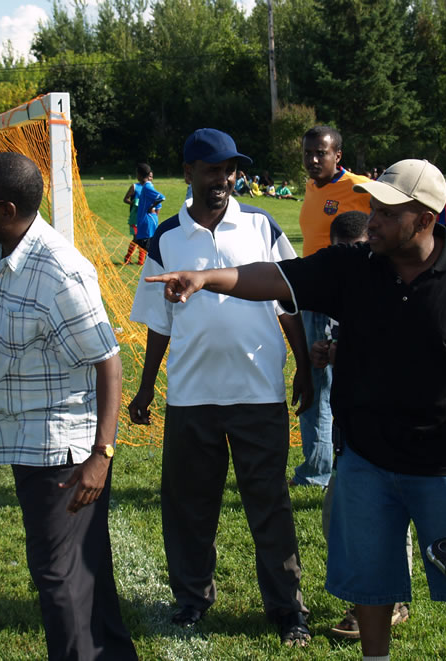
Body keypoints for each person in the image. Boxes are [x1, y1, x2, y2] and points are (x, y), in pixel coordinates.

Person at [143, 158, 446, 661]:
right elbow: (273, 277)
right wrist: (205, 278)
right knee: (371, 587)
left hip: (444, 469)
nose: (372, 221)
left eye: (387, 213)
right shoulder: (355, 266)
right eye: (372, 209)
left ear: (425, 219)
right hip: (365, 463)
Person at [127, 128, 314, 646]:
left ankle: (287, 608)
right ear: (189, 172)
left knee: (270, 505)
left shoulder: (260, 225)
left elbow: (288, 301)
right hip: (191, 397)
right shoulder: (167, 237)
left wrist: (303, 364)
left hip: (259, 393)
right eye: (213, 169)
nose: (224, 179)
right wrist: (146, 388)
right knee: (189, 505)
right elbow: (159, 322)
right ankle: (192, 599)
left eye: (230, 169)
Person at [0, 152, 136, 661]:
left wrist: (101, 454)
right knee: (81, 567)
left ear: (6, 210)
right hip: (24, 439)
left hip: (63, 450)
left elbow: (108, 362)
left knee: (59, 577)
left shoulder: (61, 272)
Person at [312, 211, 413, 641]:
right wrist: (329, 353)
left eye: (355, 249)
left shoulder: (391, 286)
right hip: (351, 434)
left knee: (386, 519)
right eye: (339, 250)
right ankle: (372, 597)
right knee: (338, 517)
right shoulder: (343, 286)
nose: (349, 259)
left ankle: (389, 602)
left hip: (394, 436)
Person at [292, 125, 371, 489]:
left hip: (342, 300)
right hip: (312, 296)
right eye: (308, 153)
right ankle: (323, 466)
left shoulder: (359, 188)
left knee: (324, 383)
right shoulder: (312, 187)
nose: (312, 160)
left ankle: (319, 472)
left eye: (320, 153)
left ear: (338, 155)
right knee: (316, 382)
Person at [123, 162, 149, 264]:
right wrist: (134, 203)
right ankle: (128, 258)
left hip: (144, 218)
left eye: (137, 174)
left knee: (143, 238)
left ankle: (141, 260)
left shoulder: (149, 187)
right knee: (136, 238)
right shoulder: (134, 186)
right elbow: (125, 199)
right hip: (135, 218)